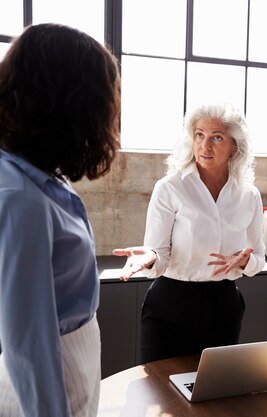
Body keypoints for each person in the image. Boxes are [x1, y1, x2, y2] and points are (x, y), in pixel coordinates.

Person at [0, 24, 120, 417]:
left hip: (74, 357)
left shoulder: (38, 173)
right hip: (55, 370)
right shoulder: (22, 198)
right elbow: (28, 341)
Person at [112, 102, 265, 364]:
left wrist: (245, 261)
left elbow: (258, 258)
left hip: (224, 306)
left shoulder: (248, 196)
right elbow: (158, 255)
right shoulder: (170, 188)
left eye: (217, 138)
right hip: (170, 305)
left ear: (234, 147)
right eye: (199, 135)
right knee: (160, 394)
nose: (205, 146)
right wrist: (149, 256)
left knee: (213, 395)